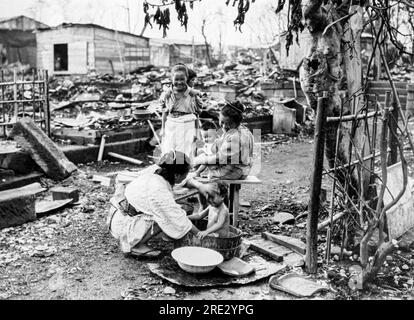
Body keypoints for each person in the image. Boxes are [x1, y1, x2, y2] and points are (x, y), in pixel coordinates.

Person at [106, 151, 217, 258]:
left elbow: (185, 181)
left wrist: (199, 186)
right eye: (186, 173)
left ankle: (156, 234)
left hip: (120, 213)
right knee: (168, 216)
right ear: (177, 175)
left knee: (179, 209)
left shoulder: (159, 171)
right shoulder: (158, 190)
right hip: (122, 224)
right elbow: (178, 218)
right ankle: (135, 245)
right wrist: (201, 234)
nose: (187, 175)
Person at [192, 101, 254, 180]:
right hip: (238, 168)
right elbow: (219, 146)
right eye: (222, 122)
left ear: (237, 122)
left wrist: (199, 159)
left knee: (205, 170)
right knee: (203, 159)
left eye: (229, 123)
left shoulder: (237, 136)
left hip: (236, 171)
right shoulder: (236, 129)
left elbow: (220, 158)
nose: (224, 126)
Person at [159, 64, 203, 160]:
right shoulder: (167, 94)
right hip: (171, 124)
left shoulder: (192, 94)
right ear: (171, 79)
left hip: (186, 124)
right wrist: (162, 128)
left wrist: (197, 132)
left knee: (183, 151)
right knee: (168, 149)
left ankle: (181, 172)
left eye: (182, 79)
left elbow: (196, 114)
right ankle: (168, 171)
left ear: (186, 79)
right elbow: (165, 112)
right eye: (176, 79)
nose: (179, 82)